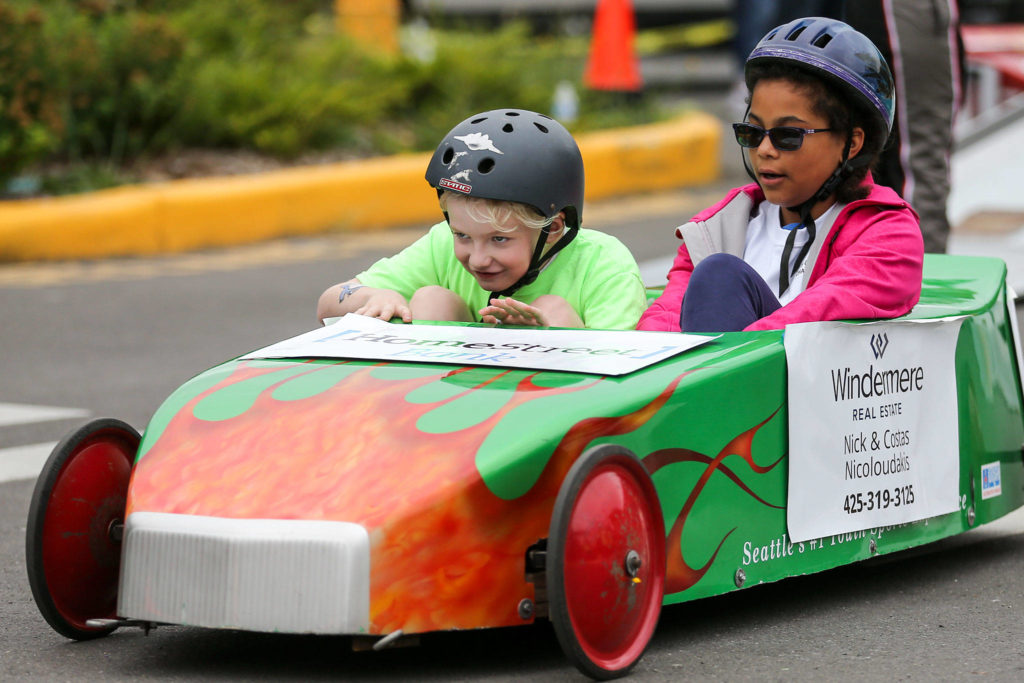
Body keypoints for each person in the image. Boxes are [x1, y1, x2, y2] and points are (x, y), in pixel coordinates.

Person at [638, 16, 924, 333]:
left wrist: (728, 356)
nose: (764, 149)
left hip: (786, 379)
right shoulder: (715, 229)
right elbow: (666, 319)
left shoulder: (889, 234)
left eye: (788, 136)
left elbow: (818, 311)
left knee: (719, 275)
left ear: (851, 143)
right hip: (722, 376)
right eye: (753, 132)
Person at [316, 108, 647, 329]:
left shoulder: (604, 264)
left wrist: (556, 342)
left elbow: (631, 376)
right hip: (452, 403)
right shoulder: (442, 245)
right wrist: (373, 296)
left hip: (559, 404)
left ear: (554, 227)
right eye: (462, 236)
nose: (477, 258)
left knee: (554, 309)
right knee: (430, 299)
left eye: (499, 239)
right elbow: (329, 303)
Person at [841, 0, 963, 254]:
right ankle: (919, 277)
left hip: (883, 15)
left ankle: (906, 273)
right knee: (915, 158)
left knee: (865, 155)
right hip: (897, 14)